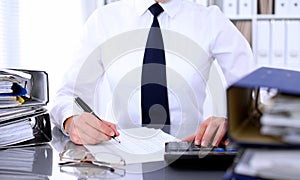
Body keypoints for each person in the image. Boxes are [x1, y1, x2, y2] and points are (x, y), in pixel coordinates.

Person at [50, 0, 255, 147]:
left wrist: (231, 121)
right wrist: (72, 120)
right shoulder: (102, 21)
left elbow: (254, 96)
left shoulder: (211, 20)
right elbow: (67, 95)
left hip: (189, 155)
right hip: (123, 162)